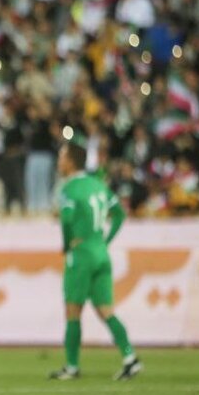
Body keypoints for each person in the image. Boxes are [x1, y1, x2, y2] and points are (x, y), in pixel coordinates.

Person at [49, 141, 142, 382]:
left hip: (81, 256)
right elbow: (120, 214)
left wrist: (66, 244)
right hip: (101, 254)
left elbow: (67, 219)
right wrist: (105, 240)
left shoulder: (69, 189)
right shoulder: (97, 185)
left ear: (70, 162)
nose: (59, 162)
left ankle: (71, 366)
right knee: (106, 310)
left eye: (61, 157)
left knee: (72, 311)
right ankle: (130, 358)